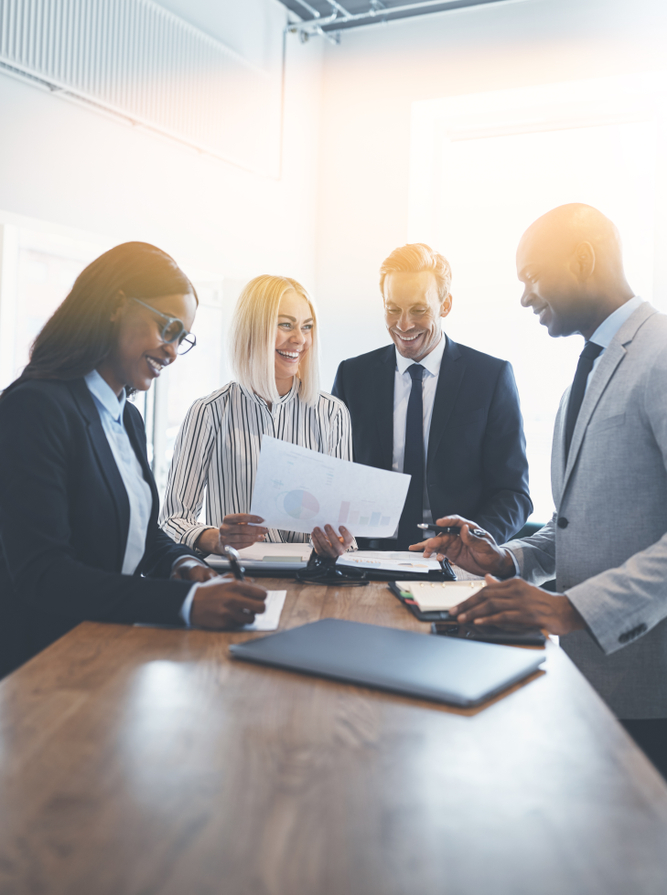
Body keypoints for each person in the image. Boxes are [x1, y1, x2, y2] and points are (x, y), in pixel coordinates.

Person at [419, 204, 667, 777]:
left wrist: (571, 609)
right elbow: (574, 526)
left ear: (583, 260)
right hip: (591, 687)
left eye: (532, 276)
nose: (526, 297)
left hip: (653, 695)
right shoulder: (583, 376)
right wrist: (505, 558)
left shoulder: (658, 356)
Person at [0, 242, 267, 679]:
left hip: (109, 651)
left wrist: (184, 565)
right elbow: (43, 573)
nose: (173, 351)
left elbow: (140, 535)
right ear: (115, 307)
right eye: (167, 328)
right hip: (41, 666)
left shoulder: (127, 416)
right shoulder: (34, 408)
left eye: (182, 338)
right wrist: (184, 604)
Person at [331, 243, 532, 550]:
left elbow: (513, 493)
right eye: (392, 309)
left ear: (446, 305)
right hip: (365, 560)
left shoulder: (490, 377)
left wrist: (473, 543)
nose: (404, 324)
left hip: (456, 562)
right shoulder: (352, 376)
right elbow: (334, 476)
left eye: (419, 310)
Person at [161, 275, 353, 561]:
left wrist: (341, 543)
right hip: (238, 580)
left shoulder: (333, 414)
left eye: (307, 327)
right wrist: (215, 539)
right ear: (253, 330)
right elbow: (173, 519)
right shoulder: (210, 411)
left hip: (316, 580)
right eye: (286, 324)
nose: (299, 339)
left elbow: (344, 525)